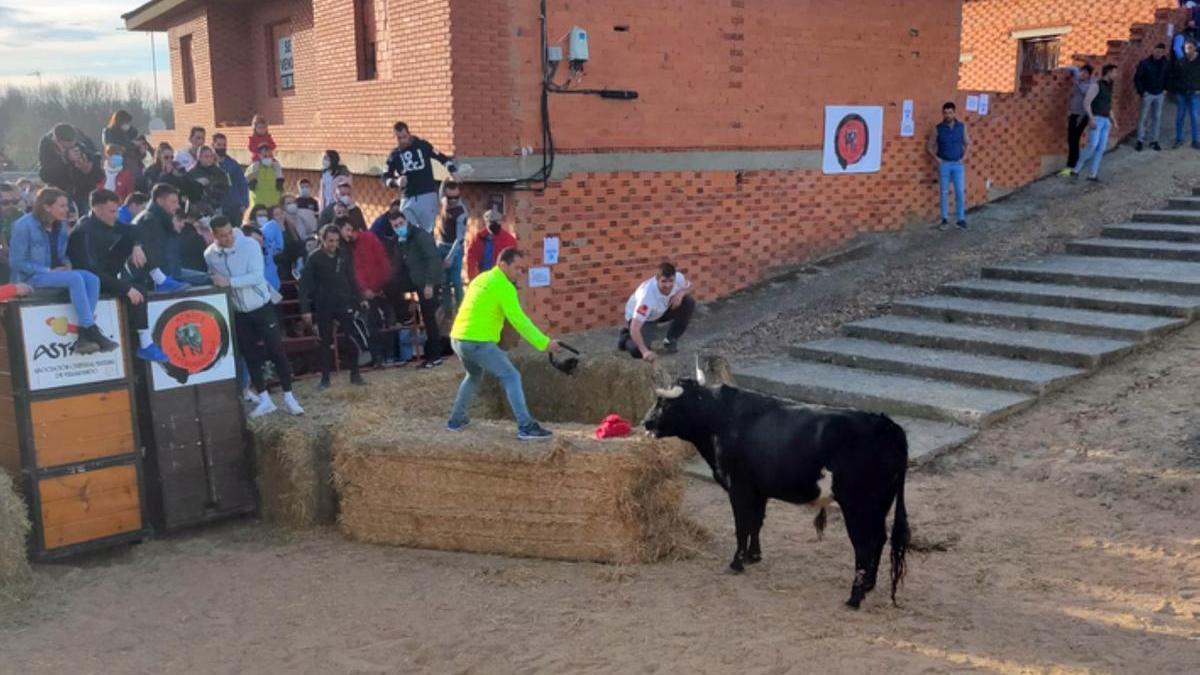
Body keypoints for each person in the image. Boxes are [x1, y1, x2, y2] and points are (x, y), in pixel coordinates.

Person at [446, 248, 560, 439]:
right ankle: (526, 426)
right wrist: (544, 343)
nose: (519, 273)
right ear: (503, 265)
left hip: (457, 338)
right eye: (517, 268)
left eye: (522, 269)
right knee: (511, 376)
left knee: (473, 375)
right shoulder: (503, 286)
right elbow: (519, 320)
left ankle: (456, 420)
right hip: (478, 341)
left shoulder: (482, 279)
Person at [207, 217, 304, 417]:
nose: (228, 238)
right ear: (214, 235)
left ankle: (289, 397)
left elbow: (257, 276)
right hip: (239, 312)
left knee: (277, 350)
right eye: (222, 236)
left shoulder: (249, 245)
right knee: (250, 356)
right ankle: (265, 399)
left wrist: (229, 282)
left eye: (229, 233)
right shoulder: (210, 255)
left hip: (261, 306)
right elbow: (215, 279)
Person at [9, 188, 115, 354]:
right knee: (75, 279)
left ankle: (85, 334)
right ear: (46, 207)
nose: (67, 209)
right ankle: (89, 329)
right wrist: (48, 271)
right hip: (29, 278)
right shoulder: (23, 226)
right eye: (62, 205)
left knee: (92, 279)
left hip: (54, 273)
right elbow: (16, 262)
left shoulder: (61, 226)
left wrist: (66, 265)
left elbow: (62, 255)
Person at [67, 189, 164, 362]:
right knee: (137, 292)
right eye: (112, 211)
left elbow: (135, 230)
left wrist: (136, 245)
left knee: (133, 240)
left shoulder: (109, 222)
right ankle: (143, 343)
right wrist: (124, 287)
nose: (115, 215)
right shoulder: (83, 232)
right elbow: (90, 271)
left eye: (117, 211)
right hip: (91, 281)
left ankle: (160, 277)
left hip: (107, 272)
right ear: (97, 209)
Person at [300, 224, 366, 388]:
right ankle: (325, 378)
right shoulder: (314, 258)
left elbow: (352, 278)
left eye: (336, 241)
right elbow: (305, 285)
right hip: (324, 304)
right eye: (330, 241)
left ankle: (355, 374)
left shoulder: (343, 255)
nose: (333, 244)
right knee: (324, 342)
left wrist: (360, 298)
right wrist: (306, 309)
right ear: (322, 240)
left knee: (350, 338)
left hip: (343, 302)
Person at [386, 208, 444, 368]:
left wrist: (430, 285)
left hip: (428, 280)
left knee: (429, 318)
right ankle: (405, 315)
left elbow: (432, 260)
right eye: (395, 226)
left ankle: (435, 356)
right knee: (389, 284)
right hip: (415, 279)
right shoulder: (400, 240)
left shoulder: (420, 236)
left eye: (400, 224)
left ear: (406, 221)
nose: (399, 227)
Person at [382, 122, 459, 233]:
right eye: (399, 138)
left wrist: (453, 171)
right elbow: (385, 177)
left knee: (426, 233)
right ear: (394, 138)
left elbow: (441, 157)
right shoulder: (394, 155)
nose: (402, 141)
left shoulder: (422, 145)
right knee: (405, 232)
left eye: (404, 137)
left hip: (427, 194)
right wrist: (396, 182)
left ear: (409, 134)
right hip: (407, 197)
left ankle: (428, 248)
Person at [339, 217, 393, 365]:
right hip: (363, 293)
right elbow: (355, 272)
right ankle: (377, 357)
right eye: (347, 230)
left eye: (351, 230)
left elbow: (381, 262)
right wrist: (363, 290)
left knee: (383, 322)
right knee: (370, 325)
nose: (349, 234)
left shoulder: (367, 240)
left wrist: (379, 286)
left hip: (376, 289)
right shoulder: (346, 248)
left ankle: (387, 355)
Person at [618, 262, 695, 361]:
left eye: (671, 281)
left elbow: (691, 286)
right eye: (664, 281)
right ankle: (625, 337)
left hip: (661, 310)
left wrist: (681, 293)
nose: (668, 285)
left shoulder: (679, 278)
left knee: (688, 302)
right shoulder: (646, 298)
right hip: (644, 318)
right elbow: (635, 327)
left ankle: (670, 340)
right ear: (657, 280)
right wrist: (645, 352)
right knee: (637, 351)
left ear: (675, 278)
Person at [131, 183, 197, 291]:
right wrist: (160, 279)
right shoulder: (149, 220)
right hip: (150, 281)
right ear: (160, 201)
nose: (177, 206)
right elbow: (148, 252)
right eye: (173, 202)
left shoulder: (161, 219)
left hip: (168, 273)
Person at [38, 124, 102, 211]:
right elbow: (45, 175)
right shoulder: (47, 144)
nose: (71, 149)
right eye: (65, 147)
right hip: (59, 194)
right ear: (56, 141)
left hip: (84, 192)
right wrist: (65, 158)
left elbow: (98, 170)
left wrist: (88, 168)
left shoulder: (85, 141)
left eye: (73, 145)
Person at [926, 102, 970, 230]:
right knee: (944, 192)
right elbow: (929, 146)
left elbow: (968, 143)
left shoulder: (961, 127)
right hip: (944, 164)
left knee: (959, 192)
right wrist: (937, 159)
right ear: (943, 113)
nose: (948, 115)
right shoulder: (938, 128)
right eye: (945, 113)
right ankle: (944, 219)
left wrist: (964, 157)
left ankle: (960, 219)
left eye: (950, 112)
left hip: (958, 164)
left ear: (954, 113)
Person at [1073, 65, 1119, 182]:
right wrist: (1091, 118)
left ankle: (1093, 174)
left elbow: (1109, 106)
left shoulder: (1109, 87)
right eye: (1114, 72)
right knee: (1092, 145)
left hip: (1105, 119)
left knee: (1101, 147)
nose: (1115, 75)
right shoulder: (1096, 85)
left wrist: (1113, 121)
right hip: (1097, 118)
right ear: (1108, 72)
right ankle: (1076, 169)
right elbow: (1087, 102)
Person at [435, 180, 469, 316]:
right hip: (441, 244)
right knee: (444, 282)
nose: (453, 200)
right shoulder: (444, 201)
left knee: (456, 281)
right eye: (450, 197)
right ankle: (448, 312)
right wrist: (446, 179)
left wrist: (450, 256)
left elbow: (460, 238)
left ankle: (461, 311)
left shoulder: (462, 212)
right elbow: (440, 193)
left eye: (457, 197)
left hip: (454, 248)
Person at [1059, 65, 1095, 176]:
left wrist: (1077, 79)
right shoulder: (1079, 82)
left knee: (1074, 139)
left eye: (1084, 73)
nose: (1082, 75)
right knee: (1071, 140)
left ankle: (1072, 166)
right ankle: (1073, 164)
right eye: (1081, 72)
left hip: (1081, 116)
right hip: (1074, 114)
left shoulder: (1090, 85)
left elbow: (1084, 92)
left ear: (1089, 74)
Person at [1135, 43, 1171, 152]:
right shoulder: (1145, 63)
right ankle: (1140, 140)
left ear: (1163, 52)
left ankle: (1154, 140)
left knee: (1156, 117)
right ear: (1153, 50)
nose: (1158, 53)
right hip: (1148, 93)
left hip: (1159, 93)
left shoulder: (1166, 64)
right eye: (1157, 51)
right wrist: (1142, 92)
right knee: (1143, 118)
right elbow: (1137, 78)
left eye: (1161, 52)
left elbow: (1168, 77)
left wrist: (1166, 89)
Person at [465, 209, 518, 281]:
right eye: (492, 223)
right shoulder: (478, 238)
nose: (495, 226)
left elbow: (513, 262)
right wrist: (472, 278)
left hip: (501, 279)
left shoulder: (508, 240)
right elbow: (471, 258)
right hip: (483, 277)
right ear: (486, 223)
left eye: (497, 223)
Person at [212, 133, 250, 223]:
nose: (222, 147)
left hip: (235, 207)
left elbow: (242, 184)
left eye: (224, 145)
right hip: (217, 207)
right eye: (219, 145)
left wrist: (244, 203)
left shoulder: (233, 164)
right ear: (213, 145)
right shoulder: (210, 164)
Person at [1173, 40, 1200, 150]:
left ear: (1195, 48)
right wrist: (1176, 89)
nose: (1187, 50)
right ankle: (1179, 139)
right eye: (1185, 48)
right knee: (1180, 116)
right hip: (1182, 93)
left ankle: (1195, 140)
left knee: (1194, 117)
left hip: (1195, 93)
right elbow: (1175, 76)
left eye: (1190, 48)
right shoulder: (1181, 61)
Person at [187, 145, 230, 213]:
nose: (209, 159)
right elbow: (189, 193)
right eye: (206, 157)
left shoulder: (221, 173)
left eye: (211, 156)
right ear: (199, 158)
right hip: (198, 211)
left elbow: (227, 191)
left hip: (217, 208)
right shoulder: (191, 174)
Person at [246, 145, 284, 214]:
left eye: (269, 154)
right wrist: (253, 174)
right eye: (265, 155)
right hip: (258, 206)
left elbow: (280, 186)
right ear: (259, 155)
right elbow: (245, 181)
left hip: (273, 206)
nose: (267, 156)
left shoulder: (276, 167)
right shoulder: (254, 167)